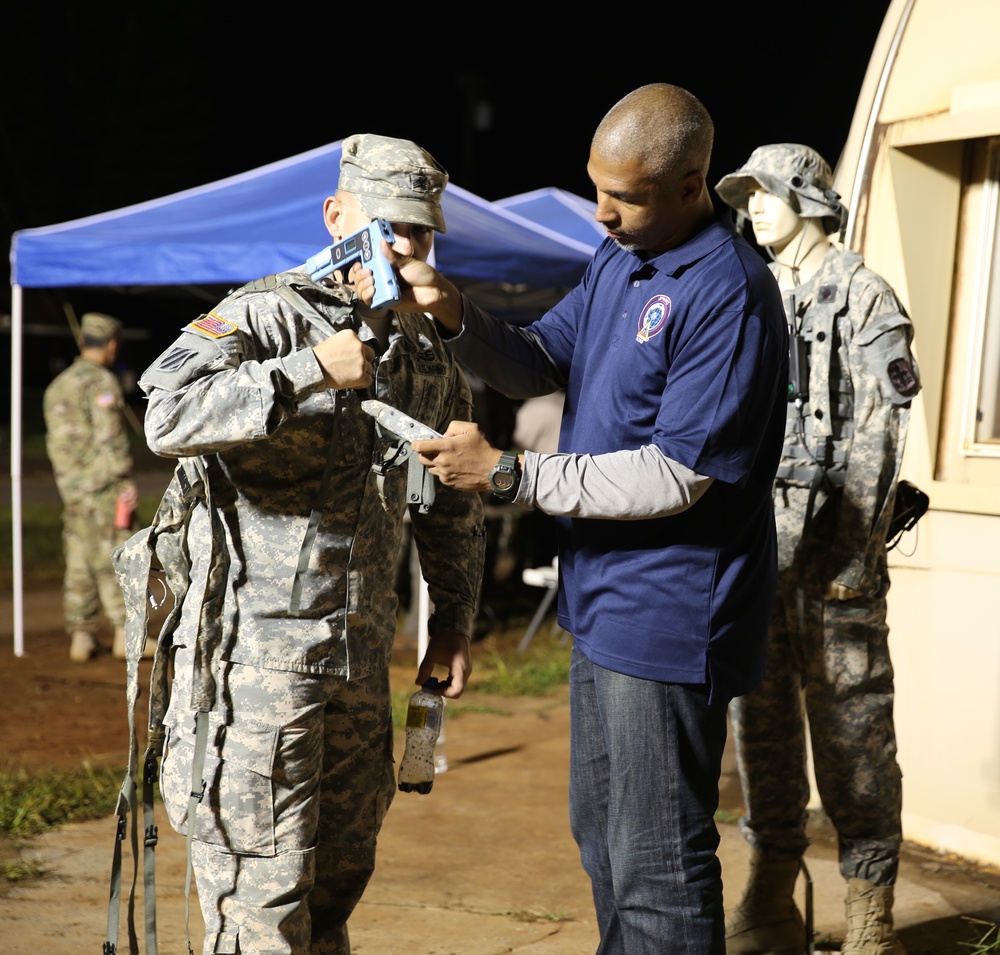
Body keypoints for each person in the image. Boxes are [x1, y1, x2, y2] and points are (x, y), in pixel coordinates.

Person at [353, 84, 789, 954]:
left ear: (693, 185)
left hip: (668, 617)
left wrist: (509, 474)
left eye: (623, 196)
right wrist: (455, 312)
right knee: (605, 844)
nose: (601, 212)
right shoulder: (621, 258)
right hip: (602, 604)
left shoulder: (728, 293)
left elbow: (675, 475)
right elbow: (538, 359)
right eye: (597, 188)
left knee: (657, 866)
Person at [134, 134, 485, 955]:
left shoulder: (424, 352)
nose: (404, 248)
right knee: (259, 920)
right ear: (337, 217)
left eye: (422, 233)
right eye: (388, 227)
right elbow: (164, 415)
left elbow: (450, 505)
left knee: (331, 903)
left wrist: (457, 622)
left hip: (358, 675)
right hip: (255, 680)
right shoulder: (264, 314)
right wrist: (304, 371)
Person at [714, 143, 920, 955]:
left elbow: (881, 435)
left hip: (835, 567)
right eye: (747, 196)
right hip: (758, 555)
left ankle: (870, 915)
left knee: (855, 737)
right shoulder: (753, 292)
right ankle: (771, 896)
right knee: (758, 729)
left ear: (808, 197)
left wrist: (855, 559)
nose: (753, 207)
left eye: (766, 193)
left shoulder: (866, 295)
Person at [43, 311, 138, 662]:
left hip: (71, 487)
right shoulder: (101, 383)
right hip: (102, 486)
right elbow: (109, 436)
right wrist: (123, 480)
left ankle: (81, 636)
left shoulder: (58, 385)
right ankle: (127, 634)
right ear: (111, 345)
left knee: (80, 557)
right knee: (117, 554)